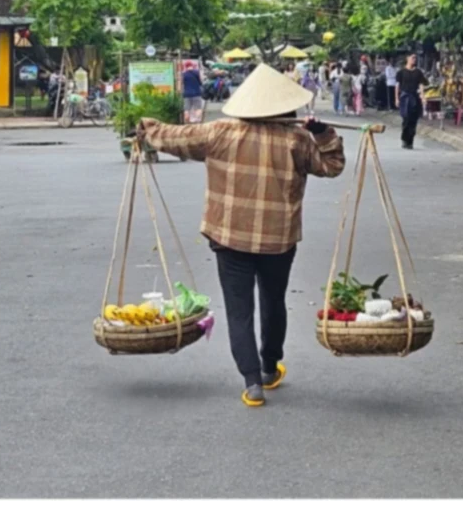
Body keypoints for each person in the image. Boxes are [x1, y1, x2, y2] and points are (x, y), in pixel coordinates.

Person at [137, 62, 345, 407]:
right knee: (273, 301)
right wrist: (324, 134)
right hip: (279, 240)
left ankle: (252, 383)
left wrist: (147, 129)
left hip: (229, 238)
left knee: (239, 309)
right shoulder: (296, 139)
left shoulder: (219, 132)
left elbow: (174, 138)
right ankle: (268, 367)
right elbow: (332, 166)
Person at [396, 54, 427, 150]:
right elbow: (397, 86)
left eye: (415, 58)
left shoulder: (418, 72)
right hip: (405, 97)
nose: (414, 60)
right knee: (406, 119)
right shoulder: (401, 72)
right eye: (412, 58)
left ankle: (410, 141)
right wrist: (396, 98)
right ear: (407, 58)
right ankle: (404, 139)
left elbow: (421, 85)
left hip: (415, 97)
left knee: (414, 120)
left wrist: (422, 96)